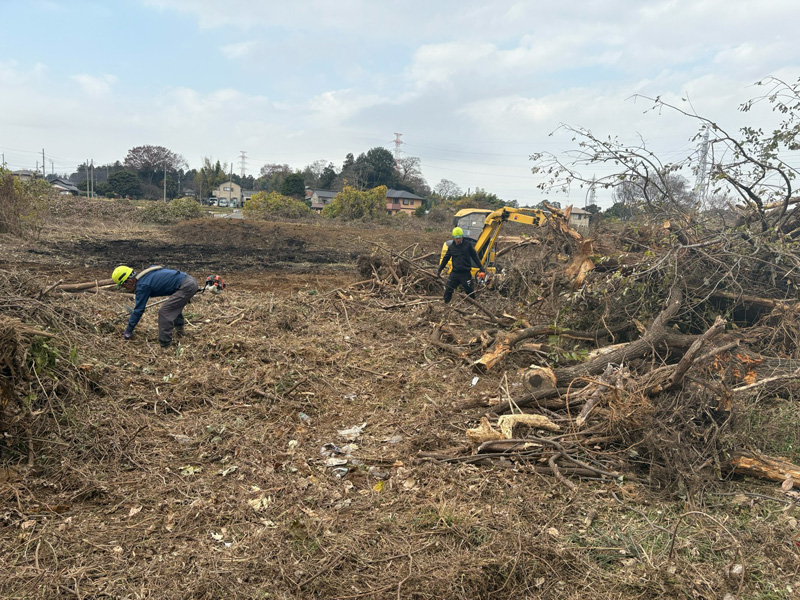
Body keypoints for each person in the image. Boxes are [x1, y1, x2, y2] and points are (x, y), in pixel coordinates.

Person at [111, 265, 198, 348]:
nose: (125, 289)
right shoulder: (146, 275)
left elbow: (138, 310)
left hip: (186, 286)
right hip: (188, 281)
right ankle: (180, 331)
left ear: (129, 281)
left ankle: (165, 344)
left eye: (124, 286)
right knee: (173, 307)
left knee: (165, 311)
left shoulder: (142, 286)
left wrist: (129, 330)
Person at [436, 227, 485, 303]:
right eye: (456, 238)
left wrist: (481, 268)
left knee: (469, 290)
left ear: (462, 237)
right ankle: (445, 305)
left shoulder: (467, 245)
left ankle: (474, 305)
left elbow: (474, 256)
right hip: (455, 273)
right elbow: (445, 259)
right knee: (448, 289)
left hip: (465, 273)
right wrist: (439, 270)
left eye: (460, 238)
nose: (458, 240)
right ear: (453, 238)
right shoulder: (451, 247)